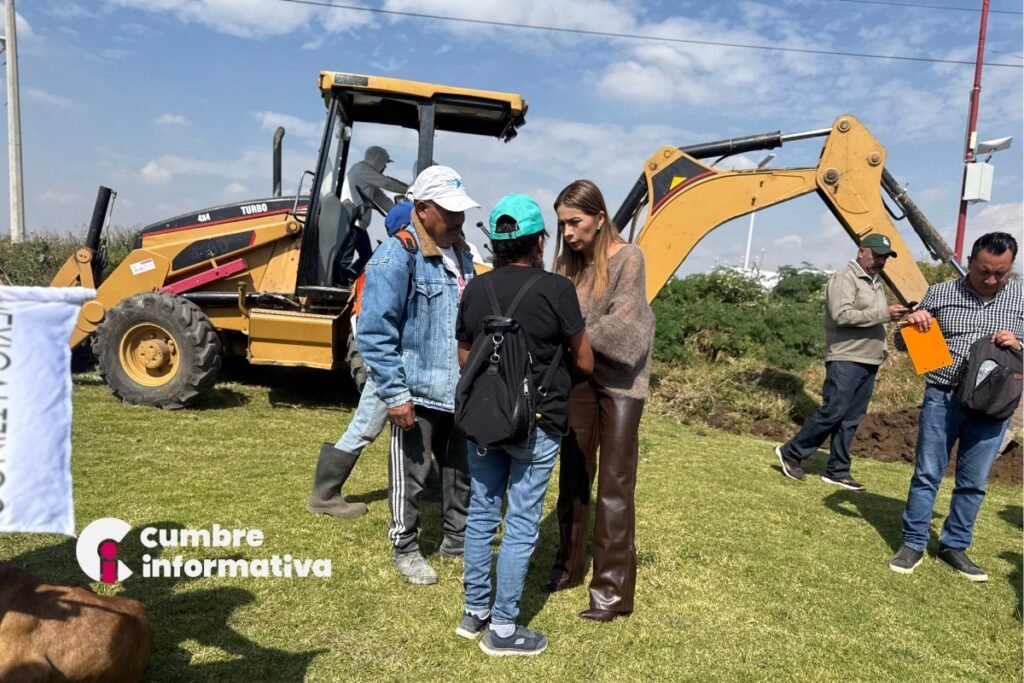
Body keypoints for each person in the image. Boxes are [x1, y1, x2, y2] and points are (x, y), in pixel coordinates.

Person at [454, 194, 593, 656]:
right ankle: (505, 630)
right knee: (521, 522)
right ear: (539, 242)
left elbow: (465, 356)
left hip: (483, 420)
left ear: (495, 244)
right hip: (537, 422)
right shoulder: (557, 290)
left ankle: (474, 611)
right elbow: (585, 361)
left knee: (481, 514)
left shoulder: (476, 289)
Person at [357, 165, 478, 585]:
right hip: (418, 390)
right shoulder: (396, 255)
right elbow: (374, 333)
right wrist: (395, 395)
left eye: (461, 211)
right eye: (450, 212)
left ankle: (456, 540)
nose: (459, 220)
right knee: (410, 475)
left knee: (459, 471)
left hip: (458, 391)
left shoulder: (462, 254)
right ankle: (405, 547)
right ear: (423, 209)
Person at [545, 179, 655, 623]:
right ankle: (567, 567)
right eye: (562, 224)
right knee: (572, 475)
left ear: (600, 218)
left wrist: (573, 336)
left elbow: (627, 325)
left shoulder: (628, 257)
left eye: (576, 222)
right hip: (579, 380)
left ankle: (610, 592)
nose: (569, 232)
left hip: (621, 383)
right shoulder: (567, 266)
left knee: (614, 485)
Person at [889, 232, 1022, 581]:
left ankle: (954, 547)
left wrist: (1019, 344)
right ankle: (914, 542)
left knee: (973, 482)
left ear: (1011, 268)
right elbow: (903, 342)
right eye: (984, 271)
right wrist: (913, 325)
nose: (992, 279)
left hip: (993, 405)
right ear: (969, 263)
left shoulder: (1021, 297)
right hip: (943, 396)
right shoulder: (941, 293)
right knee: (928, 473)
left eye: (1001, 273)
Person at [775, 234, 909, 491]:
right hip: (846, 357)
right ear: (861, 252)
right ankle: (791, 452)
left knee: (851, 419)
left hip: (869, 359)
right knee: (833, 411)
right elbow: (841, 315)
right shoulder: (845, 277)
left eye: (885, 257)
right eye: (877, 254)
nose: (881, 260)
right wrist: (884, 313)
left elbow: (871, 318)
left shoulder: (874, 282)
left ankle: (837, 470)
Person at [306, 202, 414, 520]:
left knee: (419, 424)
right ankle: (324, 495)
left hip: (393, 361)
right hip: (388, 363)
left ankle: (433, 483)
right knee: (365, 426)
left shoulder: (394, 261)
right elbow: (376, 325)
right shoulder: (392, 265)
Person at [336, 146, 409, 285]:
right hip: (350, 223)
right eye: (384, 164)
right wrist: (409, 189)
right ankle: (339, 284)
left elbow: (381, 198)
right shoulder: (362, 169)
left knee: (367, 258)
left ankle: (350, 279)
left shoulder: (368, 178)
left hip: (359, 225)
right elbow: (386, 182)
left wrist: (399, 212)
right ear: (377, 160)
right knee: (344, 260)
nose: (384, 168)